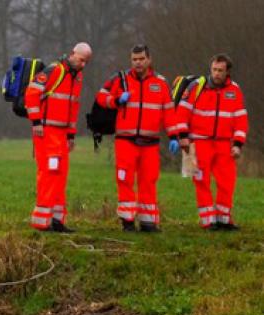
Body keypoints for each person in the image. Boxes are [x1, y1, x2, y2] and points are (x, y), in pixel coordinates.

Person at [95, 44, 181, 232]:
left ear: (149, 60)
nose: (138, 63)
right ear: (130, 60)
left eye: (141, 59)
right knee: (124, 180)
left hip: (150, 143)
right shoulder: (120, 79)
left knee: (148, 181)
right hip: (126, 141)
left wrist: (174, 135)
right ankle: (127, 221)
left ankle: (148, 222)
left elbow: (169, 112)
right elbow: (101, 96)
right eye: (135, 59)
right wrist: (116, 101)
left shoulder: (161, 83)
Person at [24, 42, 92, 232]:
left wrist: (71, 134)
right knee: (49, 173)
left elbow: (73, 107)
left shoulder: (77, 77)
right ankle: (41, 221)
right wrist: (36, 122)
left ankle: (57, 220)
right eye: (81, 60)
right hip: (46, 131)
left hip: (61, 134)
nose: (83, 65)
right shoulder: (55, 70)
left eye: (86, 62)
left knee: (60, 175)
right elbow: (32, 93)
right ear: (72, 54)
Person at [176, 54, 248, 230]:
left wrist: (238, 144)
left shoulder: (235, 91)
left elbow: (240, 120)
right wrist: (183, 136)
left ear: (227, 72)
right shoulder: (196, 87)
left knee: (227, 181)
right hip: (199, 143)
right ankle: (208, 220)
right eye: (214, 70)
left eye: (220, 71)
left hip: (224, 144)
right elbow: (182, 113)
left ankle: (224, 219)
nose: (216, 74)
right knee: (202, 181)